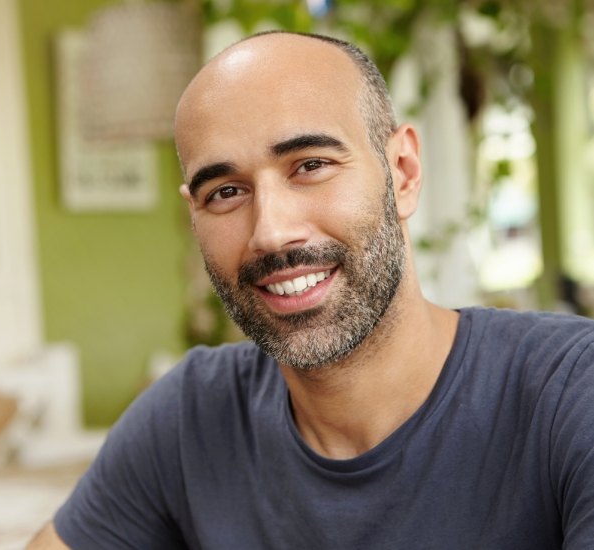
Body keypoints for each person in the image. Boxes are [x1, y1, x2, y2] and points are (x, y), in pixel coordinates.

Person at [29, 31, 594, 549]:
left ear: (403, 172)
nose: (270, 232)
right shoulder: (188, 418)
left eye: (311, 165)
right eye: (225, 192)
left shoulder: (570, 393)